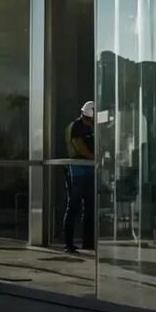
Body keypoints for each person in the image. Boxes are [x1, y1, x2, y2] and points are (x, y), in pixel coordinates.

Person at [63, 101, 96, 253]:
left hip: (89, 171)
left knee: (90, 207)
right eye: (90, 120)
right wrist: (94, 157)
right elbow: (80, 147)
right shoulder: (76, 127)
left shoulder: (91, 126)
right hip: (77, 171)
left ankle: (88, 243)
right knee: (73, 206)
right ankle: (68, 244)